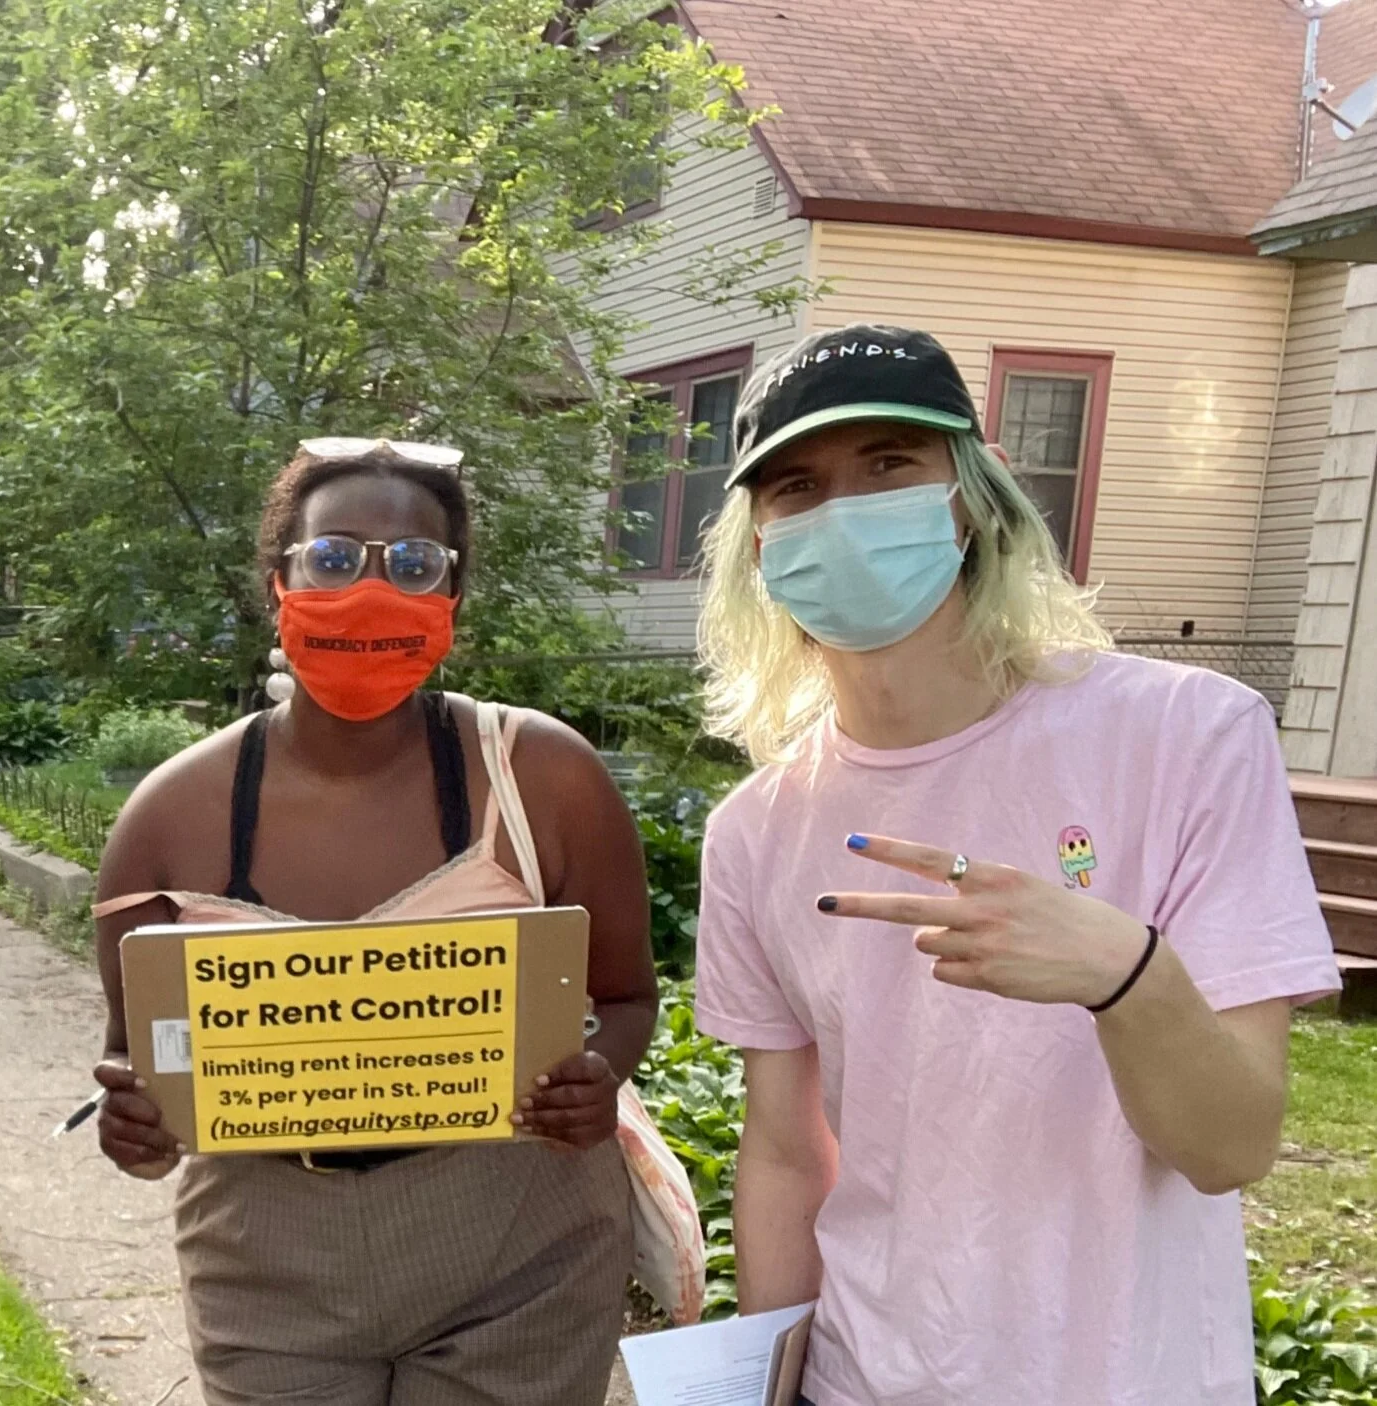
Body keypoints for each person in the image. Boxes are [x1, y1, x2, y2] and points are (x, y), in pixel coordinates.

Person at [693, 324, 1344, 1405]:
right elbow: (782, 1149)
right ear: (758, 544)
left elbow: (1231, 1145)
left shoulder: (1188, 735)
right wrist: (769, 1374)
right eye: (797, 484)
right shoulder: (759, 826)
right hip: (862, 1379)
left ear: (973, 496)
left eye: (891, 464)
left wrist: (1126, 973)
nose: (841, 510)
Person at [89, 439, 661, 1405]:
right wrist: (138, 1124)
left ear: (451, 600)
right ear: (281, 584)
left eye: (411, 566)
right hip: (264, 1249)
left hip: (519, 1238)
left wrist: (598, 1075)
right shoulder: (167, 817)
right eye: (334, 556)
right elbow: (141, 1059)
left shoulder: (544, 778)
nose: (370, 585)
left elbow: (626, 996)